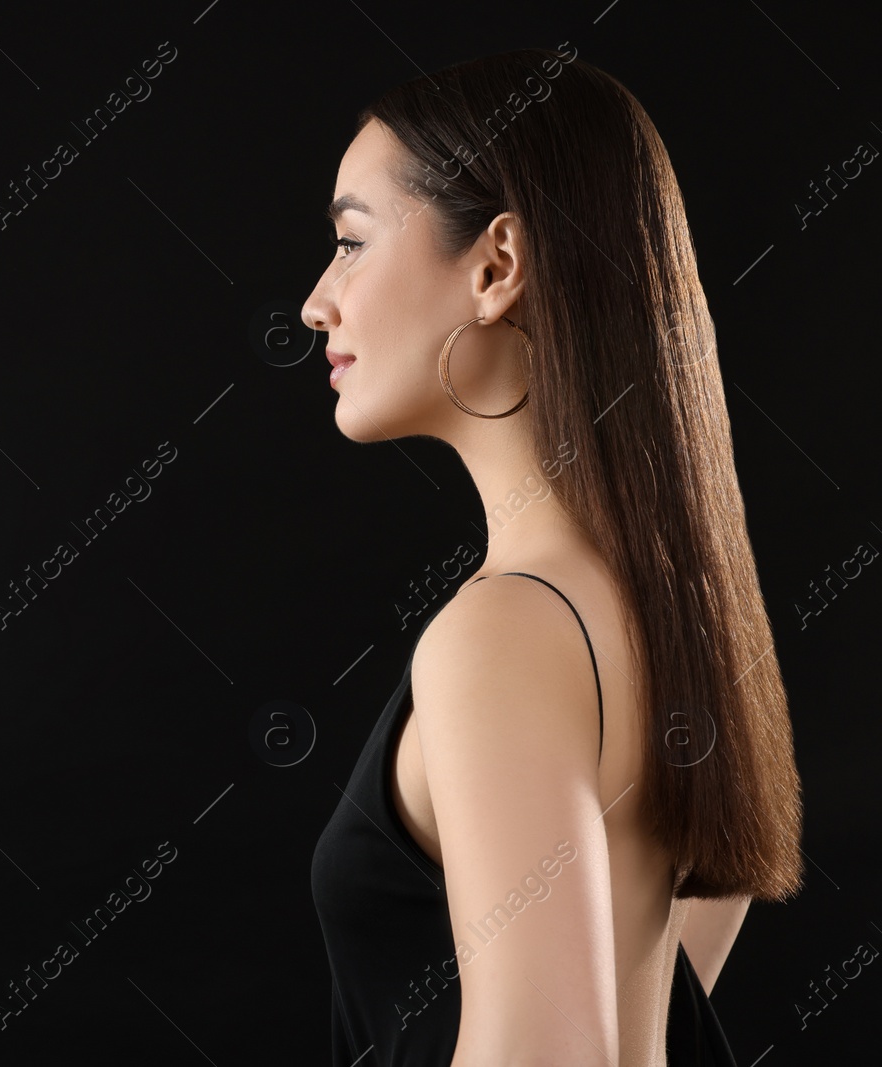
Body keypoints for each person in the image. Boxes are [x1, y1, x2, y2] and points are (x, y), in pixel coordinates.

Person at [302, 48, 803, 1066]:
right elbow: (651, 1005)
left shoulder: (503, 633)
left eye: (351, 242)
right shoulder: (680, 617)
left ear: (495, 266)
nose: (318, 301)